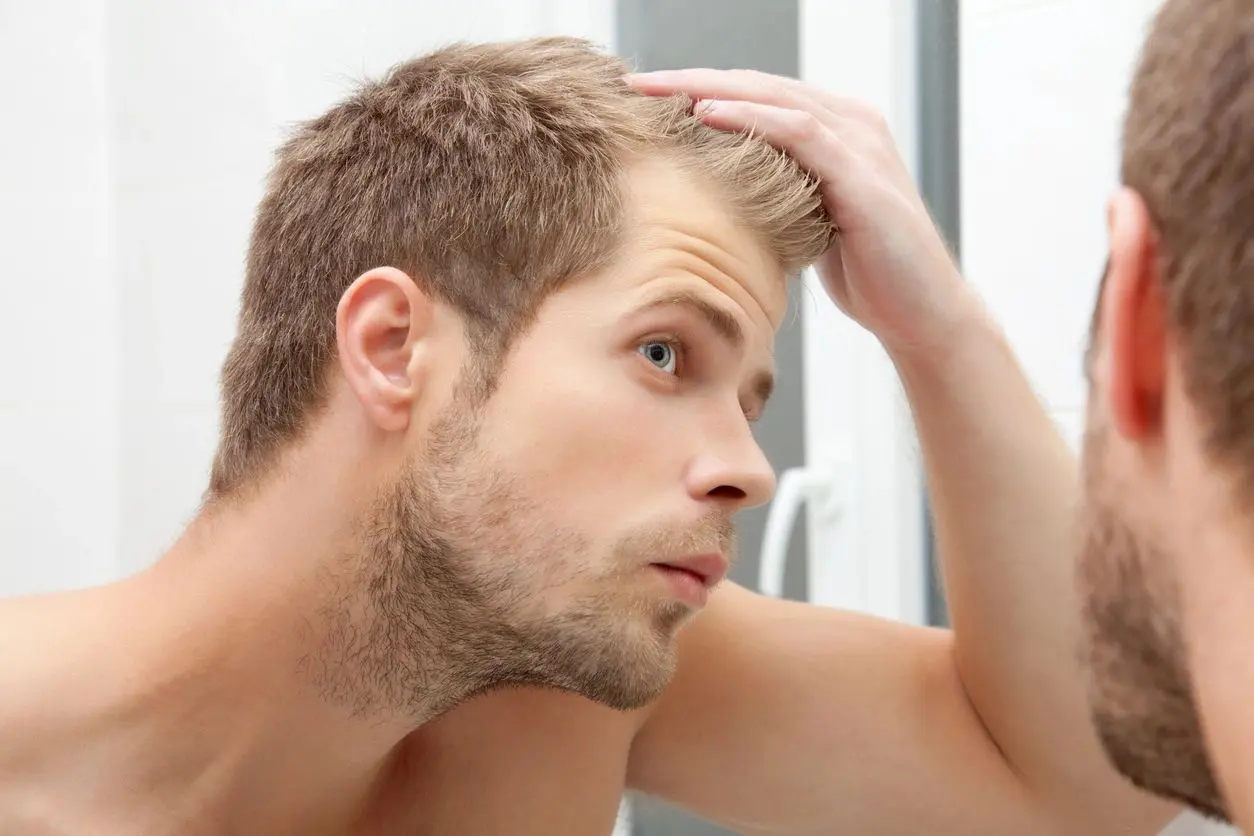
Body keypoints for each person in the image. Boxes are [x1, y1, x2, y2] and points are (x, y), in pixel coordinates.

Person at [0, 16, 1190, 836]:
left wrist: (937, 327)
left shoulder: (554, 694)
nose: (748, 471)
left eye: (749, 398)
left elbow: (1090, 783)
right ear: (391, 348)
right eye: (665, 353)